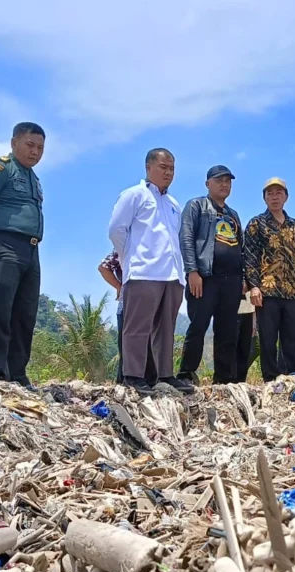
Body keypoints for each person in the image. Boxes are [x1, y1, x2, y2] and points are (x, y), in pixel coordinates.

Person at [108, 148, 193, 395]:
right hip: (144, 271)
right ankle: (133, 375)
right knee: (137, 326)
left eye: (172, 168)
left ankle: (164, 374)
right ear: (148, 168)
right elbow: (116, 230)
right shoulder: (134, 195)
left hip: (172, 274)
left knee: (166, 328)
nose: (168, 172)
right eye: (163, 167)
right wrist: (129, 259)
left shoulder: (173, 203)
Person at [0, 122, 46, 387]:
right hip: (4, 244)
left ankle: (17, 373)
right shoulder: (0, 168)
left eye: (40, 147)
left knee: (25, 314)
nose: (35, 152)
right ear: (14, 143)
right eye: (30, 145)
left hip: (31, 248)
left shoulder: (34, 179)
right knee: (0, 310)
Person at [178, 165, 243, 384]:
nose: (224, 185)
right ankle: (187, 373)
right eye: (219, 180)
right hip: (205, 278)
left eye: (228, 181)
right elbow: (186, 238)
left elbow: (240, 247)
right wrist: (192, 271)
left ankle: (223, 378)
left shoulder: (233, 215)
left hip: (232, 281)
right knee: (198, 325)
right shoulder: (196, 206)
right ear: (208, 184)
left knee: (227, 330)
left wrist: (242, 279)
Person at [242, 177, 295, 381]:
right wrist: (254, 287)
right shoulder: (256, 224)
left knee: (293, 339)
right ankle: (270, 379)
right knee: (268, 339)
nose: (274, 197)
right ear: (264, 198)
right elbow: (250, 257)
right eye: (270, 193)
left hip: (292, 291)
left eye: (278, 193)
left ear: (286, 197)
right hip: (266, 291)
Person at [98, 251, 157, 386]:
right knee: (132, 346)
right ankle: (131, 382)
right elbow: (103, 267)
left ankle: (146, 382)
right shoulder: (125, 247)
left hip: (141, 305)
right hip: (130, 305)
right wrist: (119, 286)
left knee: (139, 346)